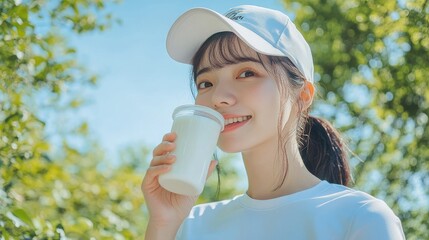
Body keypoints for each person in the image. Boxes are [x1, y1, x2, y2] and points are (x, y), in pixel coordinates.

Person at [142, 5, 405, 240]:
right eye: (206, 83)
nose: (218, 97)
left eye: (247, 73)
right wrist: (163, 223)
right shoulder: (190, 225)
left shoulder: (360, 218)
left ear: (302, 95)